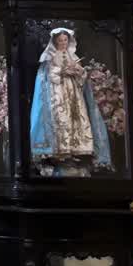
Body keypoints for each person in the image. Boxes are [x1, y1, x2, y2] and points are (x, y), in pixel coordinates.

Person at [30, 28, 112, 173]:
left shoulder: (72, 55)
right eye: (60, 40)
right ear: (55, 41)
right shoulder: (50, 56)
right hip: (57, 94)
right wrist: (61, 71)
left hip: (73, 93)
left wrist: (79, 71)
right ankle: (59, 152)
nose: (63, 43)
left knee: (75, 119)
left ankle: (74, 150)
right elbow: (48, 76)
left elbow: (82, 76)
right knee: (62, 119)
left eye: (65, 40)